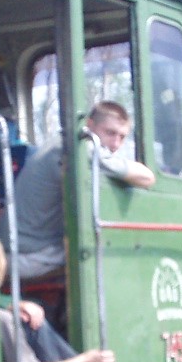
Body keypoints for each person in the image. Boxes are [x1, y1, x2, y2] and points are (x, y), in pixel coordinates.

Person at [10, 99, 154, 279]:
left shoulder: (57, 142)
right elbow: (147, 177)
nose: (116, 144)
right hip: (29, 255)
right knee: (103, 250)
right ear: (89, 125)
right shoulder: (79, 148)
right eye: (110, 133)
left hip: (18, 246)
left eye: (122, 137)